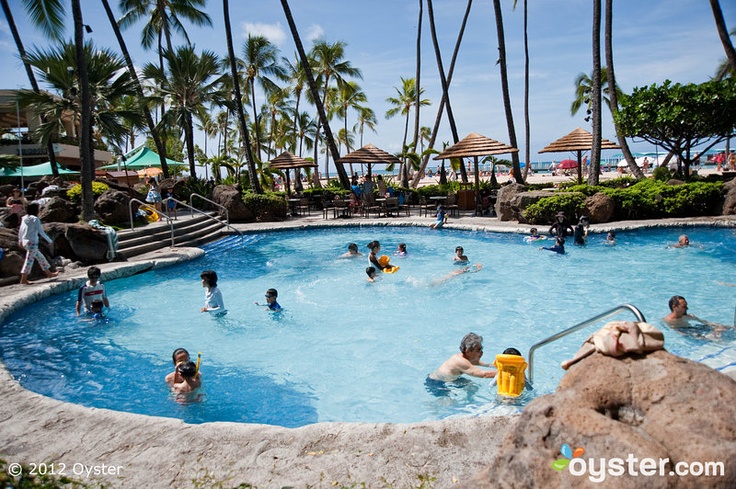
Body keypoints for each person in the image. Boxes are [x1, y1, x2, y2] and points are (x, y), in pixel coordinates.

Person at [428, 333, 496, 382]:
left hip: (451, 379)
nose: (481, 352)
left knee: (471, 386)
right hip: (436, 382)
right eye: (478, 350)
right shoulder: (460, 362)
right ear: (468, 351)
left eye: (482, 349)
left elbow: (479, 363)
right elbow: (483, 375)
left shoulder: (467, 357)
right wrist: (503, 373)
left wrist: (494, 366)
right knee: (449, 401)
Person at [18, 202, 58, 285]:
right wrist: (49, 241)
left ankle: (49, 274)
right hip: (32, 242)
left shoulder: (24, 218)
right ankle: (23, 279)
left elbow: (21, 230)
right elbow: (41, 231)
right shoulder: (35, 219)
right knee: (29, 261)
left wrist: (20, 240)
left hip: (26, 242)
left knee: (40, 257)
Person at [663, 295, 729, 337]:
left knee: (723, 327)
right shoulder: (668, 321)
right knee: (716, 338)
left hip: (694, 329)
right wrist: (712, 335)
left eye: (686, 306)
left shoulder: (688, 316)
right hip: (688, 333)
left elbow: (705, 322)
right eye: (684, 307)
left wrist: (718, 326)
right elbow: (681, 334)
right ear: (674, 307)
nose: (687, 308)